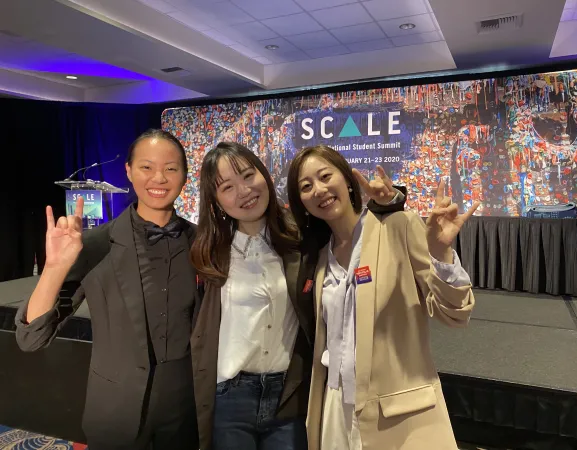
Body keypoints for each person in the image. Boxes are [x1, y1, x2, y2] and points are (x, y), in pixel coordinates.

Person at [188, 142, 405, 450]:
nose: (244, 190)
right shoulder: (209, 253)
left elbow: (355, 230)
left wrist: (390, 204)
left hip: (289, 394)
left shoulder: (303, 239)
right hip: (231, 397)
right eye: (227, 187)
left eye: (249, 176)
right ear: (215, 201)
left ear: (264, 174)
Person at [15, 129, 200, 450]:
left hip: (185, 411)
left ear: (185, 175)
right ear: (128, 171)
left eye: (171, 168)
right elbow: (30, 338)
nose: (159, 177)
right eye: (146, 167)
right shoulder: (94, 245)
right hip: (116, 412)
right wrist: (55, 267)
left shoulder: (203, 244)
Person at [286, 144, 478, 450]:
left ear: (348, 180)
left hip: (398, 415)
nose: (319, 190)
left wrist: (441, 252)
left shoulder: (397, 227)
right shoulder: (320, 258)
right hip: (334, 410)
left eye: (325, 176)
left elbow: (455, 312)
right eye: (306, 187)